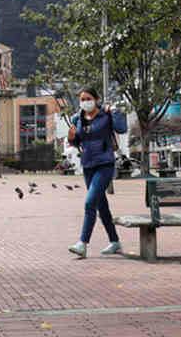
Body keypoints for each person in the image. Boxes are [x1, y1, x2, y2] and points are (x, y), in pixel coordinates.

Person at [66, 87, 127, 259]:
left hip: (105, 164)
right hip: (88, 165)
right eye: (82, 99)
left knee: (89, 202)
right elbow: (76, 141)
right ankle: (115, 241)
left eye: (88, 98)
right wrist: (71, 137)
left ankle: (82, 243)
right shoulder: (78, 118)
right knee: (102, 206)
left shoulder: (106, 115)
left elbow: (122, 129)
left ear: (96, 99)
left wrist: (113, 112)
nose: (85, 102)